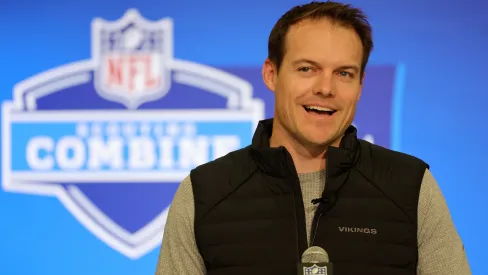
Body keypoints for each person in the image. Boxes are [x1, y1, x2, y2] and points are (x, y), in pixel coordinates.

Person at [155, 1, 471, 274]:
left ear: (360, 85)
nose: (325, 88)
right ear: (271, 75)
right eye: (307, 69)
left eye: (344, 73)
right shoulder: (204, 192)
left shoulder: (410, 187)